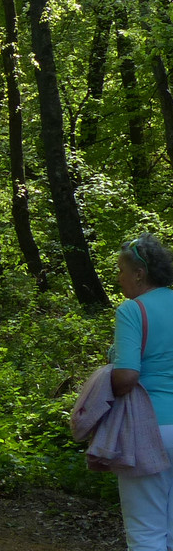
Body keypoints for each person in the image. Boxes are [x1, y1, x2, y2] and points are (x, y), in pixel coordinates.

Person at [115, 233, 173, 551]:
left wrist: (100, 383)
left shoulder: (133, 310)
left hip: (149, 430)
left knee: (145, 531)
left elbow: (126, 377)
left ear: (139, 273)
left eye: (122, 270)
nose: (119, 277)